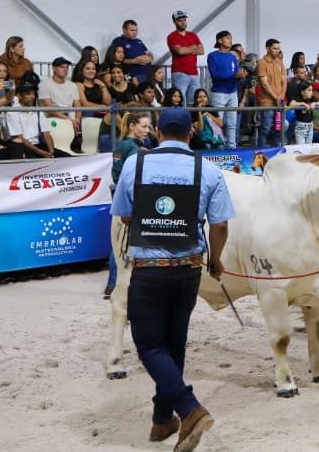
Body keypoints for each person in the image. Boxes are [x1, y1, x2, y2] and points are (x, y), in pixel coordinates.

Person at [110, 106, 233, 450]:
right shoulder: (207, 169)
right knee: (173, 342)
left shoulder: (136, 163)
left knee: (149, 346)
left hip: (150, 270)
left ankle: (189, 408)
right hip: (189, 268)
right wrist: (216, 261)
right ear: (191, 133)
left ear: (158, 133)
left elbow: (122, 217)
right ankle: (163, 420)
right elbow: (221, 225)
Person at [106, 111, 154, 299]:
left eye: (148, 126)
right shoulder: (135, 149)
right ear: (132, 126)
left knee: (119, 240)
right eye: (143, 126)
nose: (147, 130)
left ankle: (113, 283)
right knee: (127, 240)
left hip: (119, 194)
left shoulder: (123, 145)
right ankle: (124, 282)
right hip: (131, 197)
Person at [6, 82, 70, 159]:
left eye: (33, 94)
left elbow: (46, 134)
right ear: (19, 96)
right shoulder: (12, 112)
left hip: (38, 146)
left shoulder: (38, 111)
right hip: (22, 147)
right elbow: (21, 138)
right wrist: (41, 153)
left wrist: (51, 151)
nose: (32, 96)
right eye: (28, 94)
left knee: (68, 158)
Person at [206, 31, 244, 149]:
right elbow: (215, 75)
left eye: (231, 38)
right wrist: (234, 76)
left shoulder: (232, 57)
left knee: (232, 123)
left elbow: (235, 73)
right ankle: (218, 146)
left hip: (233, 92)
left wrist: (241, 75)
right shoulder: (212, 56)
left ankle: (232, 147)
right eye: (227, 38)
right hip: (219, 92)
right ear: (220, 40)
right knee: (218, 121)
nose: (230, 41)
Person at [167, 11, 204, 104]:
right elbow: (180, 51)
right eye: (180, 20)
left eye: (184, 20)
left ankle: (192, 119)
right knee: (180, 101)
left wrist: (185, 49)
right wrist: (193, 46)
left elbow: (201, 50)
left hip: (194, 72)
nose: (183, 22)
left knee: (194, 102)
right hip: (180, 72)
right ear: (174, 22)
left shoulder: (193, 35)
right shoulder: (172, 36)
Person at [256, 39, 286, 147]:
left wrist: (281, 95)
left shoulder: (280, 62)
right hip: (267, 102)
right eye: (275, 48)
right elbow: (264, 84)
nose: (277, 51)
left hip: (280, 101)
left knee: (280, 127)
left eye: (278, 48)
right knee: (265, 128)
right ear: (267, 48)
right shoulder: (261, 62)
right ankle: (261, 151)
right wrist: (276, 97)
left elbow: (284, 80)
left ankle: (277, 149)